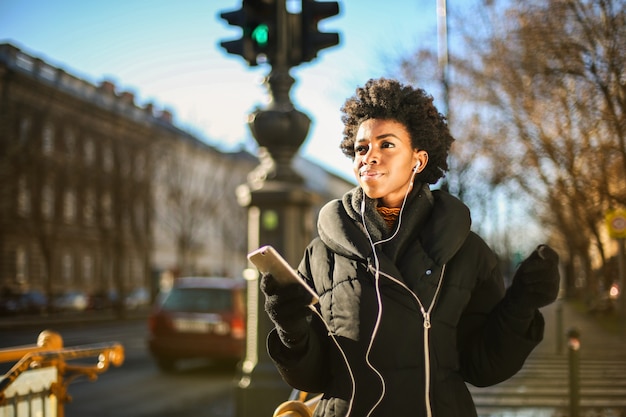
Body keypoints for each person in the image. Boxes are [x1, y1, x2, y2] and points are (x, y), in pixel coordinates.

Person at [260, 77, 560, 417]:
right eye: (361, 148)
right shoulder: (321, 254)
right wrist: (291, 328)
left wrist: (521, 304)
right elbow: (311, 377)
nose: (369, 157)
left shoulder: (468, 250)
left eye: (386, 145)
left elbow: (483, 368)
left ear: (418, 161)